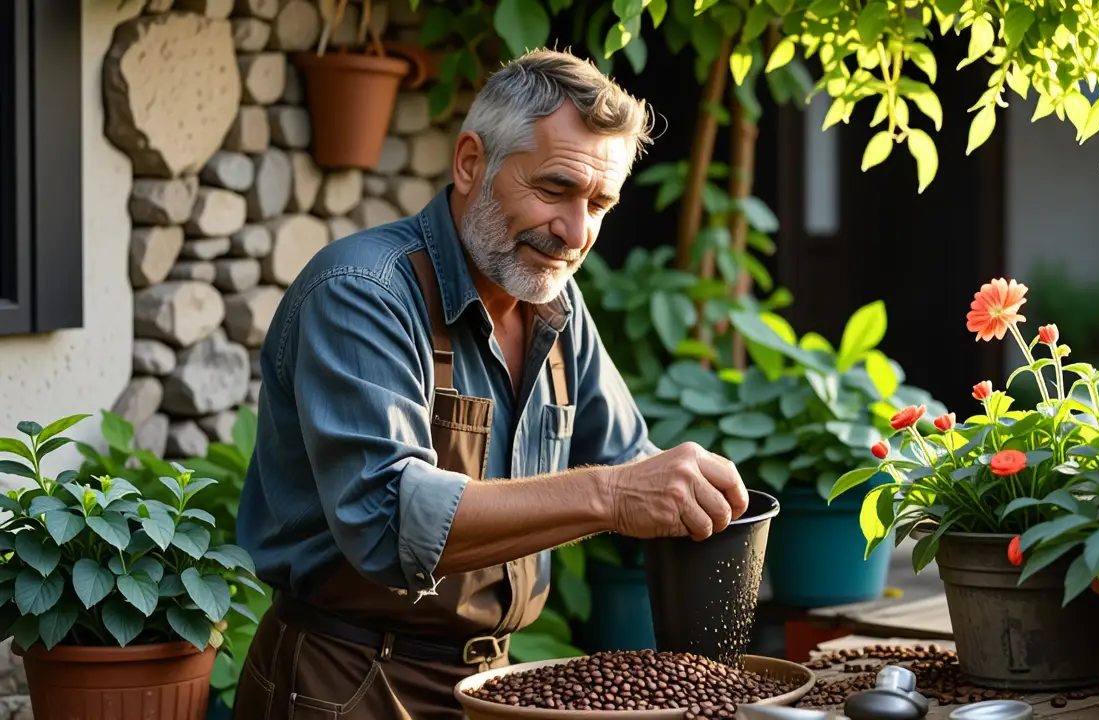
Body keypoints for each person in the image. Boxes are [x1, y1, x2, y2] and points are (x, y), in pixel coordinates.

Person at [231, 48, 750, 719]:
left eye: (600, 202)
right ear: (471, 162)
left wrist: (687, 496)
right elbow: (386, 520)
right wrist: (614, 495)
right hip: (347, 682)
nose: (576, 232)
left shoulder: (557, 308)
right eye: (556, 189)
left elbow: (631, 464)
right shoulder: (363, 293)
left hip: (493, 687)